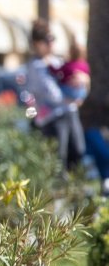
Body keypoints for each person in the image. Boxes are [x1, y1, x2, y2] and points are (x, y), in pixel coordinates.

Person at [25, 19, 85, 171]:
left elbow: (75, 79)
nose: (52, 43)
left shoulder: (57, 61)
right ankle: (61, 191)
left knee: (78, 151)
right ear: (37, 43)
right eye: (48, 40)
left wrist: (82, 81)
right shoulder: (35, 66)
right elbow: (52, 94)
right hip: (52, 118)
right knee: (59, 159)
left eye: (53, 39)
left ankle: (72, 189)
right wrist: (71, 96)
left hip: (70, 112)